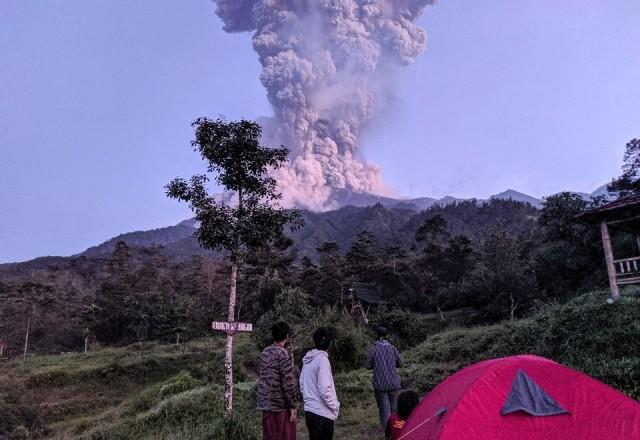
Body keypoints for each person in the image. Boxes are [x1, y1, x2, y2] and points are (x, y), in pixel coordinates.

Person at [256, 321, 297, 440]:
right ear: (287, 336)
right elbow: (288, 383)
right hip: (279, 406)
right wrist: (293, 406)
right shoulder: (283, 354)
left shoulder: (265, 352)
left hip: (265, 404)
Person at [299, 327, 340, 440]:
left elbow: (302, 384)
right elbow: (324, 389)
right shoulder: (322, 361)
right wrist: (335, 406)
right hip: (322, 414)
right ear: (329, 343)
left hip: (310, 412)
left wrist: (309, 399)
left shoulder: (307, 360)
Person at [367, 326, 403, 438]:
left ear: (376, 335)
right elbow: (400, 363)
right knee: (396, 411)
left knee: (384, 412)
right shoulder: (392, 348)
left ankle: (388, 435)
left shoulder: (373, 349)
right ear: (387, 335)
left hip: (380, 385)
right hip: (394, 383)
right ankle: (398, 433)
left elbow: (368, 366)